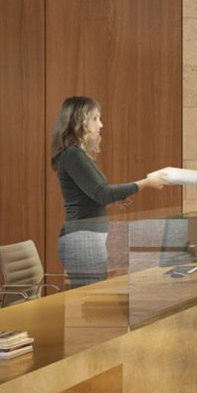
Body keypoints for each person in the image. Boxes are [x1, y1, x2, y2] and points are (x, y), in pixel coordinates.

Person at [50, 96, 169, 287]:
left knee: (93, 303)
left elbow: (92, 196)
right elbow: (102, 192)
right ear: (79, 122)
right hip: (82, 239)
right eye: (95, 119)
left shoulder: (79, 155)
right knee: (89, 304)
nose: (101, 124)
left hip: (89, 238)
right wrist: (147, 182)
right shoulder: (72, 155)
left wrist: (112, 200)